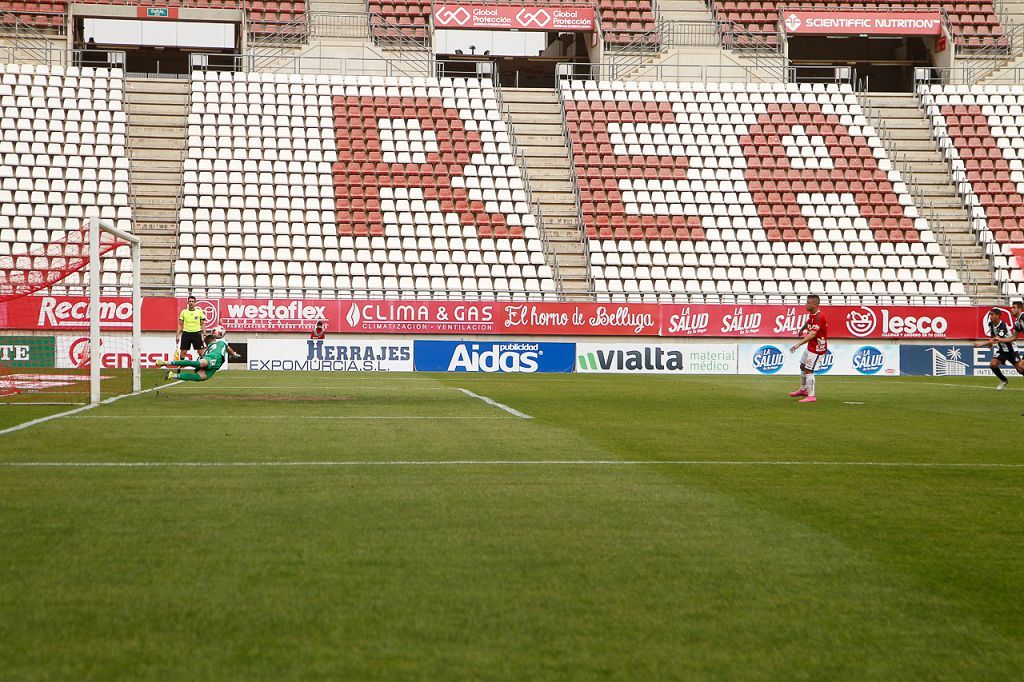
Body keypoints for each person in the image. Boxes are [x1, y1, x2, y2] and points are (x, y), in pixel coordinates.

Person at [788, 294, 827, 404]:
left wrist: (798, 344)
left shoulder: (820, 317)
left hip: (817, 348)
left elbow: (812, 334)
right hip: (811, 346)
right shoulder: (812, 315)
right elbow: (809, 322)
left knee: (809, 370)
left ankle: (811, 396)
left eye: (808, 303)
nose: (806, 304)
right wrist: (802, 328)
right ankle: (803, 390)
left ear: (814, 305)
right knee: (802, 366)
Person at [974, 306, 1024, 390]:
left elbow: (997, 339)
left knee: (1020, 368)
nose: (990, 316)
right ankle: (1004, 380)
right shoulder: (991, 324)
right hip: (1002, 350)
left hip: (1011, 350)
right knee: (993, 364)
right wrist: (990, 343)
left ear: (997, 315)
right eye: (990, 315)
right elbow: (993, 336)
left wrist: (981, 344)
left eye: (992, 314)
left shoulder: (1003, 325)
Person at [157, 333, 238, 382]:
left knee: (200, 377)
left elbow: (202, 358)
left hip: (216, 364)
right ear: (213, 339)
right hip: (215, 358)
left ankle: (172, 375)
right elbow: (228, 349)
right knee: (199, 365)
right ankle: (164, 362)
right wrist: (233, 354)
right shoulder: (221, 342)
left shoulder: (207, 350)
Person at [176, 295, 207, 360]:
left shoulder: (199, 311)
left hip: (196, 333)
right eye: (190, 301)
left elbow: (202, 324)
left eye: (193, 301)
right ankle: (180, 368)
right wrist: (177, 336)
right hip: (186, 333)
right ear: (187, 302)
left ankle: (203, 368)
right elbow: (180, 324)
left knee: (201, 352)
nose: (191, 303)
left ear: (195, 302)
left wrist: (204, 334)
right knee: (183, 352)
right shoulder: (183, 312)